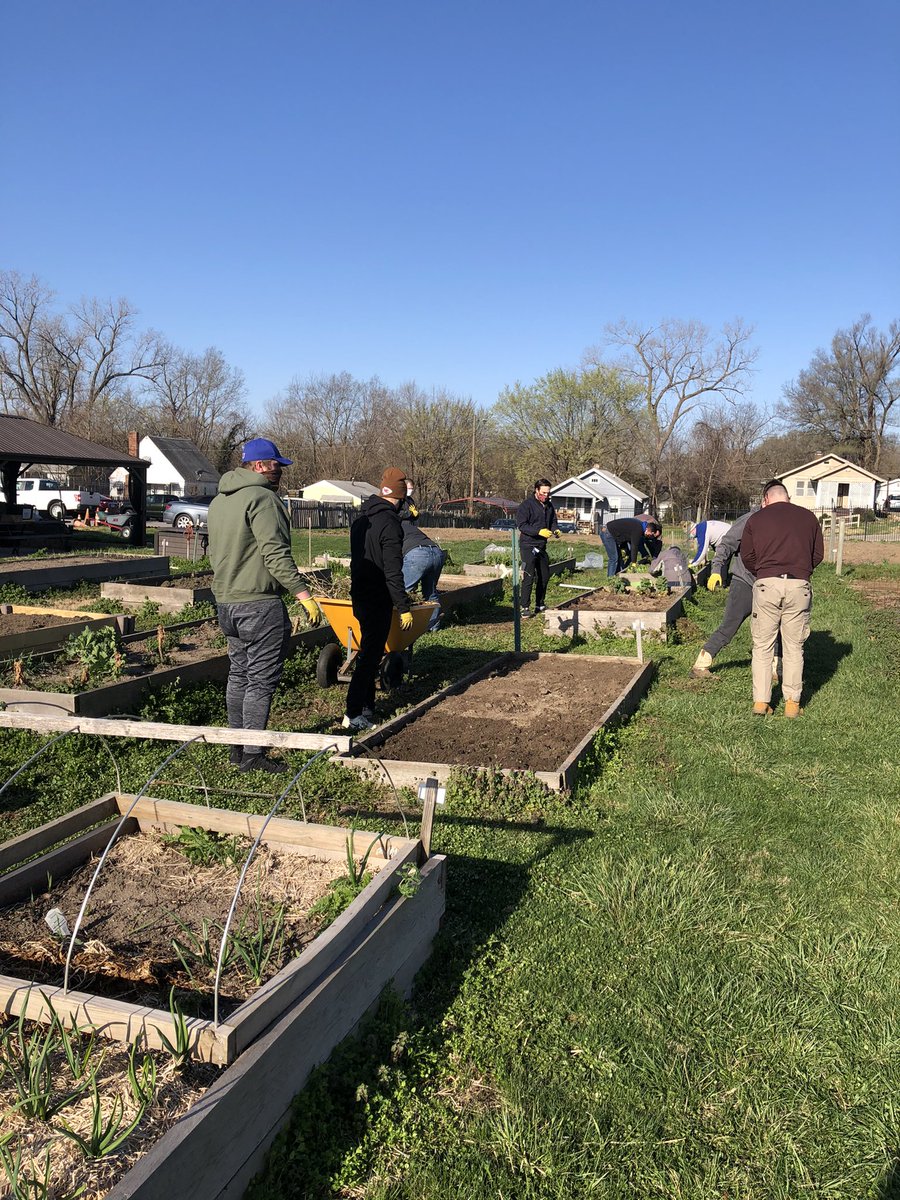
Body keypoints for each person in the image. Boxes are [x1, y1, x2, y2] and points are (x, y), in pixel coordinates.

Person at [208, 437, 320, 774]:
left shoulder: (219, 501)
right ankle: (253, 756)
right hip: (259, 604)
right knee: (259, 680)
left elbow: (215, 553)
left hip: (226, 603)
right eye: (275, 465)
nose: (279, 471)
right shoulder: (263, 498)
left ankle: (236, 748)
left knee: (238, 675)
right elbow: (275, 554)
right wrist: (304, 595)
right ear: (258, 466)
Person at [739, 480, 824, 717]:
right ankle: (792, 704)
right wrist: (801, 570)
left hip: (767, 584)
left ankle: (761, 702)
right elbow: (817, 554)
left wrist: (764, 571)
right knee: (794, 647)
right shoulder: (808, 518)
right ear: (787, 497)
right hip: (799, 585)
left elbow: (747, 556)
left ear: (766, 499)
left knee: (762, 645)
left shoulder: (756, 519)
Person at [344, 467, 413, 731]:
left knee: (368, 650)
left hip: (360, 594)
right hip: (378, 597)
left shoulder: (362, 519)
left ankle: (367, 706)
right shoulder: (391, 524)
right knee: (370, 656)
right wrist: (403, 606)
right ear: (400, 498)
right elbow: (393, 570)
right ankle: (353, 713)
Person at [689, 510, 782, 683]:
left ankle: (775, 669)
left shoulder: (783, 520)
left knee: (776, 626)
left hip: (771, 584)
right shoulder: (749, 520)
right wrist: (716, 569)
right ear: (765, 501)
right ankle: (702, 663)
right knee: (729, 626)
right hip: (744, 582)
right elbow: (726, 544)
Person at [398, 478, 445, 632]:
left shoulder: (394, 527)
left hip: (418, 554)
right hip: (436, 551)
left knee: (401, 591)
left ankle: (398, 627)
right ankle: (433, 628)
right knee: (430, 592)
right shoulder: (411, 527)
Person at [516, 479, 559, 617]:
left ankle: (540, 604)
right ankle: (525, 607)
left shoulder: (549, 506)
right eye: (543, 493)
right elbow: (522, 525)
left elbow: (553, 521)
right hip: (528, 545)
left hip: (541, 546)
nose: (546, 495)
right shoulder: (526, 505)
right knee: (529, 576)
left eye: (548, 493)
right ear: (536, 490)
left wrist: (555, 530)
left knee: (544, 576)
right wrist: (538, 531)